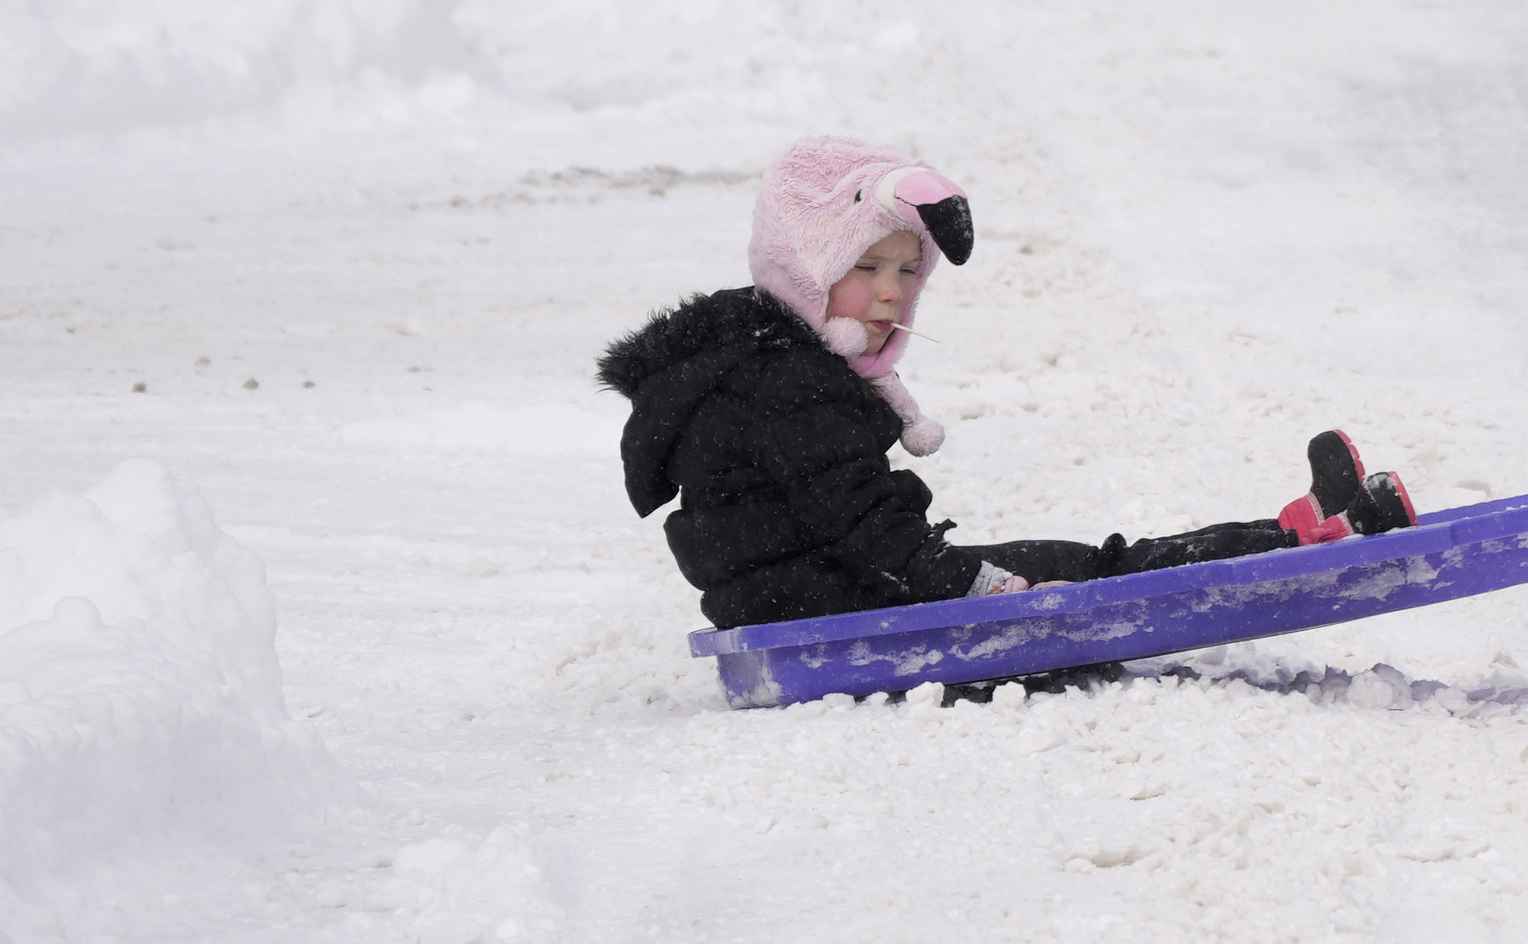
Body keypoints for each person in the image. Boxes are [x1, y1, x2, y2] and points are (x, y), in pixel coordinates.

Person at [601, 135, 1420, 633]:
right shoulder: (784, 384)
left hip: (809, 597)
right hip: (826, 613)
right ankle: (1306, 540)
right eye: (866, 267)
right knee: (1086, 569)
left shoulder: (763, 361)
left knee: (1082, 559)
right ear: (807, 266)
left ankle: (1300, 531)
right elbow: (870, 533)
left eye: (904, 271)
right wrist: (988, 590)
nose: (890, 291)